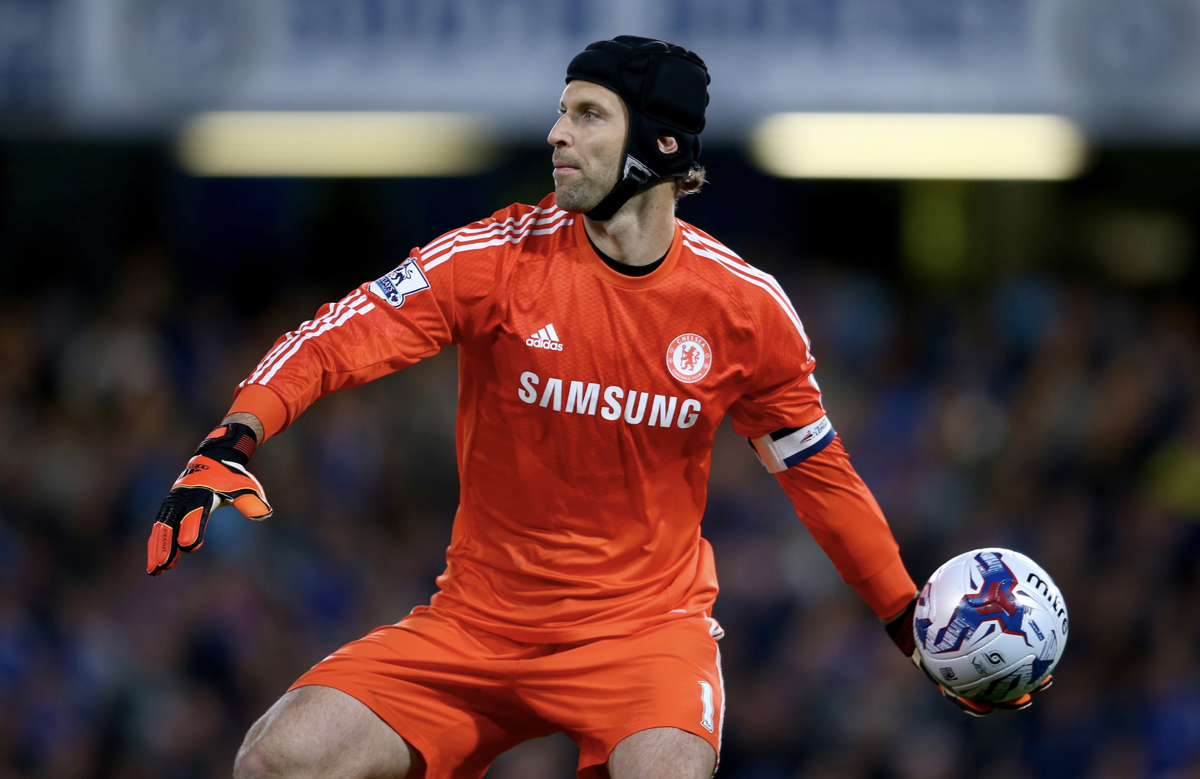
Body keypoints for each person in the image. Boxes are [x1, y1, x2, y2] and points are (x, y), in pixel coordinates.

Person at [147, 36, 1041, 779]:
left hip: (646, 636)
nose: (555, 134)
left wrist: (905, 621)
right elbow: (339, 335)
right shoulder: (495, 257)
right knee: (277, 762)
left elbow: (818, 475)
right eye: (562, 111)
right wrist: (237, 432)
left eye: (586, 114)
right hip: (476, 624)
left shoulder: (744, 309)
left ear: (653, 146)